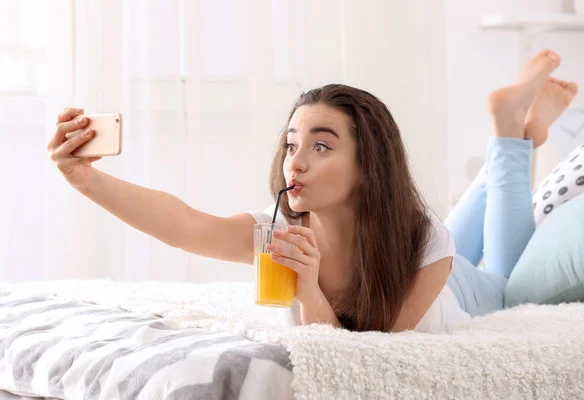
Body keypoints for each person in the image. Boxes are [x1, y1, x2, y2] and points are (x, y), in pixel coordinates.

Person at [47, 49, 578, 334]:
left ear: (368, 165)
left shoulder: (426, 243)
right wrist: (86, 179)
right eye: (292, 142)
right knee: (440, 229)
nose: (294, 160)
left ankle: (514, 134)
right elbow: (187, 226)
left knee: (506, 278)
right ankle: (514, 135)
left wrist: (308, 290)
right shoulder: (281, 230)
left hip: (461, 289)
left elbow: (370, 359)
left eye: (321, 147)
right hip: (414, 238)